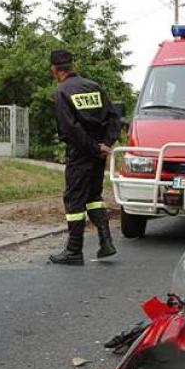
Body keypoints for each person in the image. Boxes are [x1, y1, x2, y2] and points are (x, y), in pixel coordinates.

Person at [49, 49, 121, 266]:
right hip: (98, 154)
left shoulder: (62, 92)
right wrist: (105, 144)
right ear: (73, 65)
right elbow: (114, 117)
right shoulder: (94, 87)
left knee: (74, 200)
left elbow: (71, 130)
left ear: (55, 70)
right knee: (93, 197)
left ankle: (73, 251)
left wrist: (91, 148)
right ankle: (106, 243)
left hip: (81, 154)